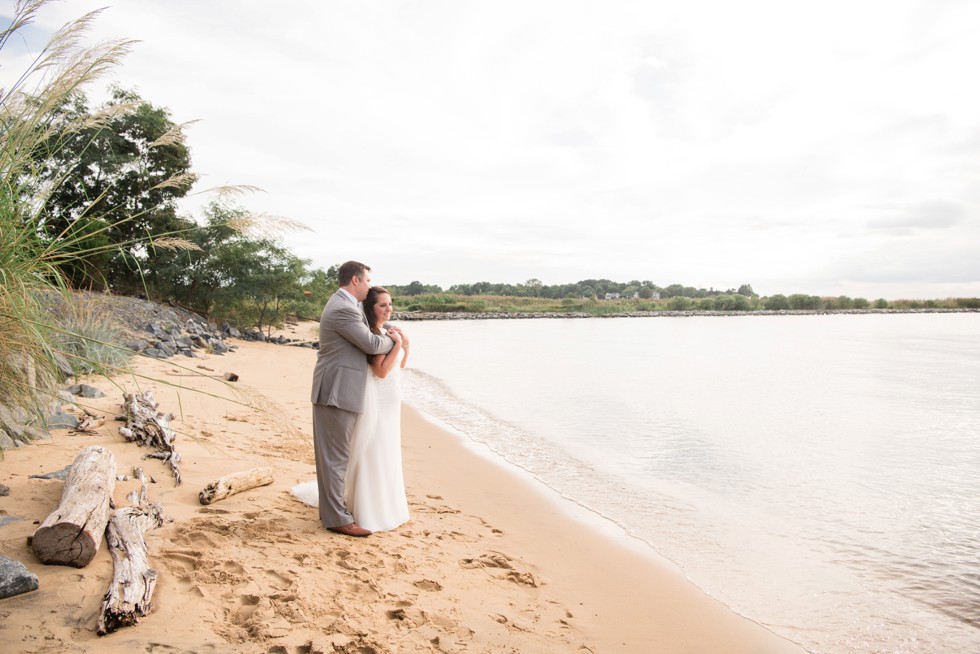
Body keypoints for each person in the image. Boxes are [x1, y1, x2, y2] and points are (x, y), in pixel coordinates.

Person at [308, 261, 395, 537]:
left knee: (335, 456)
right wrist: (395, 341)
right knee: (335, 458)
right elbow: (370, 343)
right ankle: (337, 519)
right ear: (355, 280)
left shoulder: (348, 305)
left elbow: (368, 334)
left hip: (339, 388)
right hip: (336, 390)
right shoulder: (342, 309)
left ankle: (334, 511)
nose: (370, 285)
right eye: (368, 280)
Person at [344, 286, 410, 532]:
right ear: (370, 309)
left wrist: (405, 346)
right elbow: (380, 372)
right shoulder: (371, 335)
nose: (388, 309)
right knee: (376, 448)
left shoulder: (385, 332)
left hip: (393, 401)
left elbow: (398, 367)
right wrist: (396, 345)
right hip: (379, 401)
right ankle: (370, 508)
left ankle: (389, 503)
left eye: (390, 304)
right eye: (382, 305)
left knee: (389, 450)